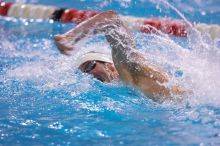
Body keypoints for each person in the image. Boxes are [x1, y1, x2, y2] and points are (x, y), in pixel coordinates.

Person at [54, 11, 186, 102]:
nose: (89, 75)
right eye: (84, 73)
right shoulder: (122, 85)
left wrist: (70, 37)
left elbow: (111, 20)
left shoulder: (130, 68)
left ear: (110, 65)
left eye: (90, 66)